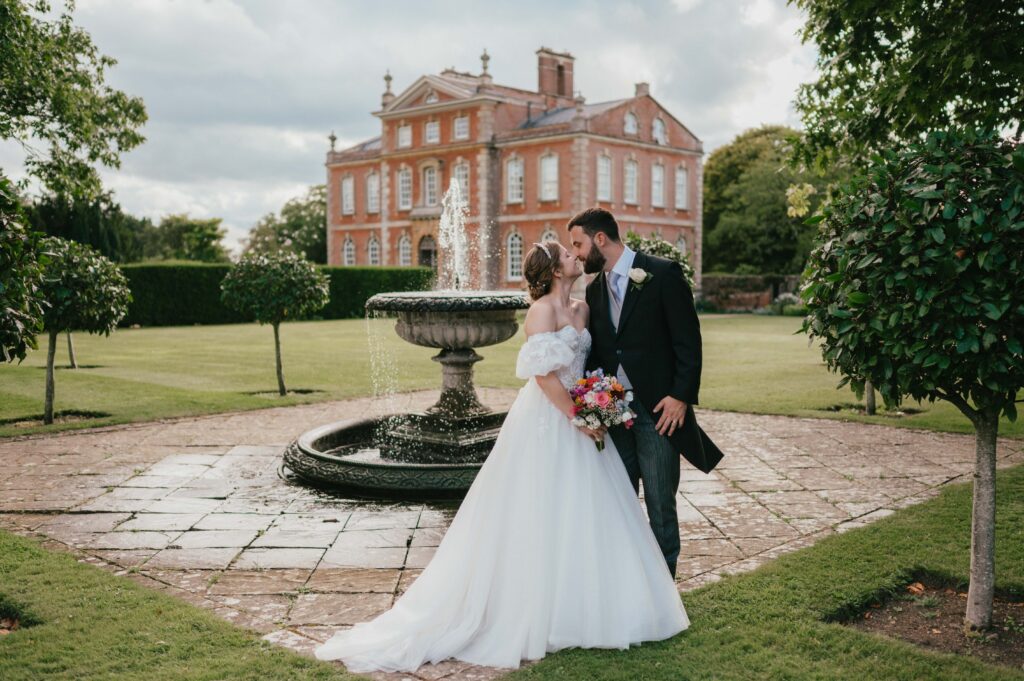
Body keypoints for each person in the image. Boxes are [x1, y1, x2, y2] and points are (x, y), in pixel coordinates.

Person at [314, 239, 688, 673]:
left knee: (587, 511)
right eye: (568, 255)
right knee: (536, 510)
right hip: (549, 421)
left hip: (583, 422)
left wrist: (597, 403)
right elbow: (545, 376)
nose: (576, 258)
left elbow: (590, 367)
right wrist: (577, 416)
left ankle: (585, 602)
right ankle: (530, 608)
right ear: (553, 271)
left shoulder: (583, 309)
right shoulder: (541, 312)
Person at [568, 207, 724, 578]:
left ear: (600, 239)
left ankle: (663, 591)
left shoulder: (664, 274)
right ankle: (627, 586)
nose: (575, 253)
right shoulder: (594, 290)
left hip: (659, 414)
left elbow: (688, 341)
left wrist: (680, 396)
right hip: (615, 417)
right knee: (618, 504)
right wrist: (592, 408)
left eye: (578, 243)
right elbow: (603, 355)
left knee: (660, 506)